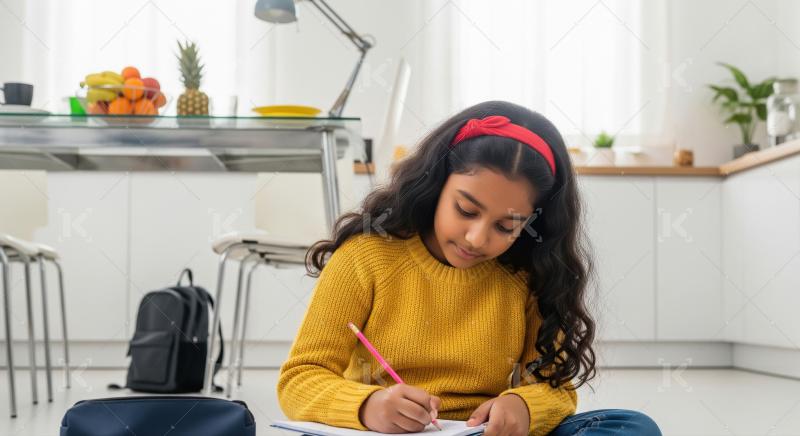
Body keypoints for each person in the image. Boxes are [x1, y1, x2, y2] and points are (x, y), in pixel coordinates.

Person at [277, 101, 661, 436]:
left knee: (631, 428)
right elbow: (300, 380)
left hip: (481, 434)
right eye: (466, 210)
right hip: (383, 434)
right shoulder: (365, 257)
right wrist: (367, 406)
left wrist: (523, 407)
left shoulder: (530, 274)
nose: (477, 238)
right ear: (436, 184)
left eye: (506, 226)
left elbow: (556, 389)